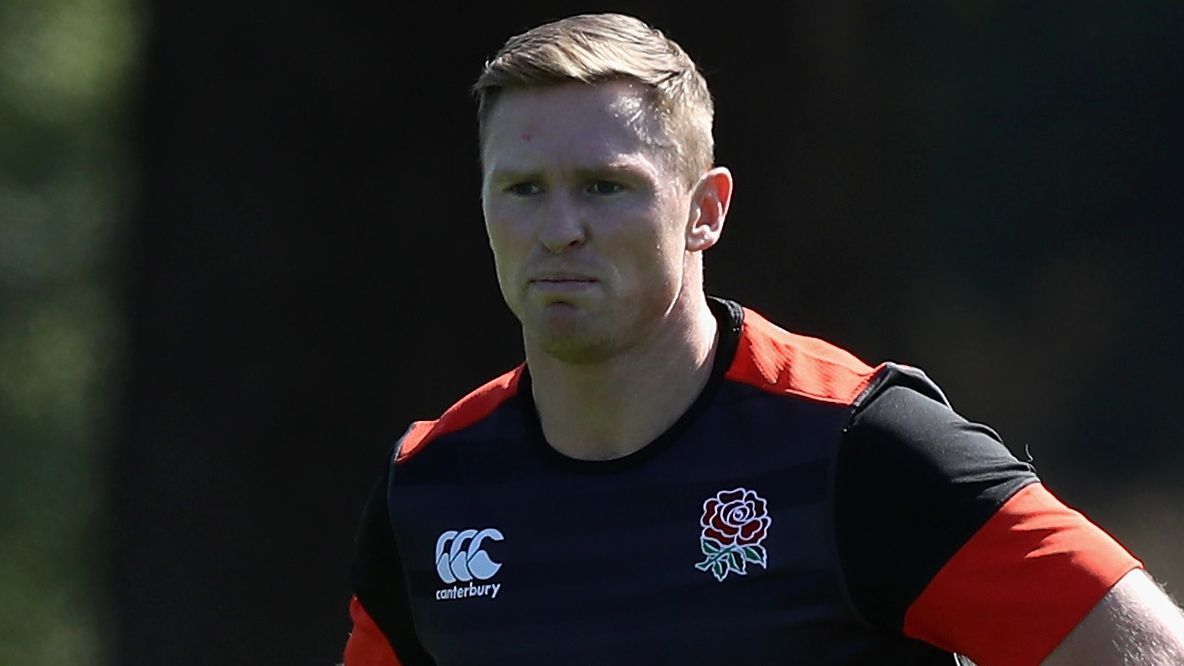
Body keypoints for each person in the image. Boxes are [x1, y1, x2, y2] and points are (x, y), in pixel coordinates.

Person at [342, 13, 1184, 665]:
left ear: (705, 211)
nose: (560, 229)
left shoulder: (856, 448)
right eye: (523, 189)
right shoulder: (431, 488)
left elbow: (1147, 651)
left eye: (605, 187)